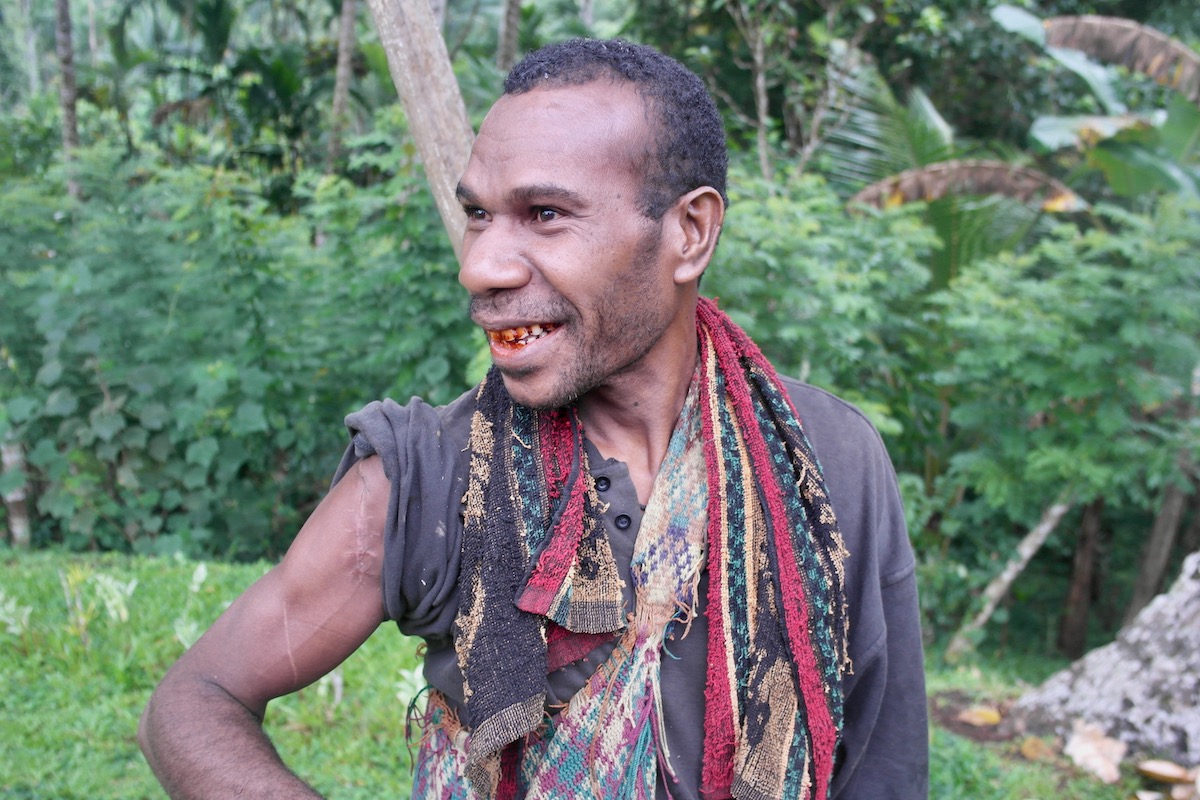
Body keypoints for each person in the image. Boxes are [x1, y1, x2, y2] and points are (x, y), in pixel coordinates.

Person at [139, 38, 928, 800]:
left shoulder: (826, 459)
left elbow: (883, 772)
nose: (480, 266)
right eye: (479, 214)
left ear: (689, 233)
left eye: (545, 213)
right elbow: (193, 701)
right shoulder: (432, 475)